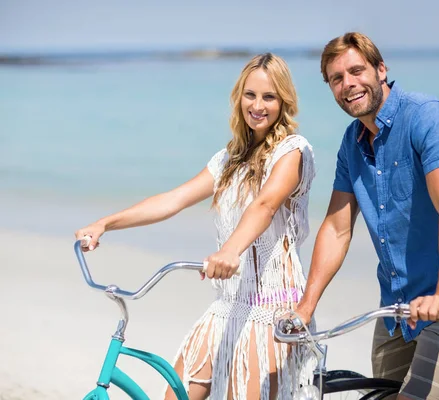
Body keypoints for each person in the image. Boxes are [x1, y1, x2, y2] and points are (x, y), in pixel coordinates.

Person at [75, 53, 317, 400]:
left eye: (269, 97)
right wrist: (105, 224)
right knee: (175, 394)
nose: (258, 105)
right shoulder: (229, 159)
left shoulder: (292, 151)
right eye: (250, 95)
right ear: (239, 97)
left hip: (272, 308)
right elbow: (173, 200)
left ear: (283, 101)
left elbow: (265, 205)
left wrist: (229, 250)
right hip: (228, 303)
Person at [293, 32, 439, 400]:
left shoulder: (428, 117)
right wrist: (304, 308)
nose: (349, 84)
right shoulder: (352, 142)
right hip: (399, 307)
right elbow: (337, 227)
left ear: (381, 69)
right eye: (336, 79)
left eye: (356, 70)